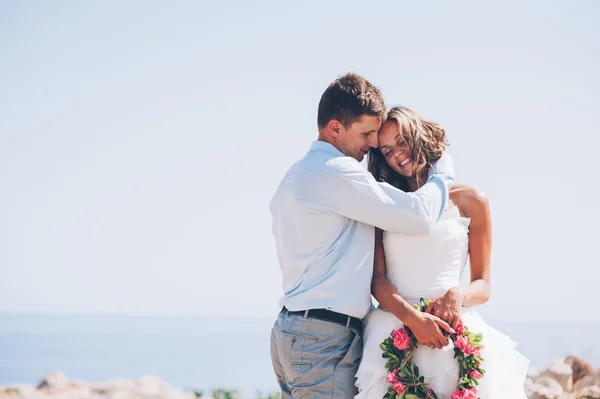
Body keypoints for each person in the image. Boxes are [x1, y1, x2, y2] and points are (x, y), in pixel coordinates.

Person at [269, 75, 455, 398]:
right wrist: (443, 174)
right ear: (336, 128)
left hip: (292, 331)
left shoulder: (294, 174)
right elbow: (420, 216)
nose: (371, 144)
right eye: (366, 133)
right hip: (322, 341)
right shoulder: (336, 173)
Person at [355, 106, 529, 398]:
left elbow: (483, 286)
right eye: (386, 150)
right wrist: (413, 320)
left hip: (455, 334)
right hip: (392, 330)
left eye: (402, 140)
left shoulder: (471, 200)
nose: (397, 154)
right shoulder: (384, 202)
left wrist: (457, 295)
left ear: (419, 135)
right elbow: (378, 281)